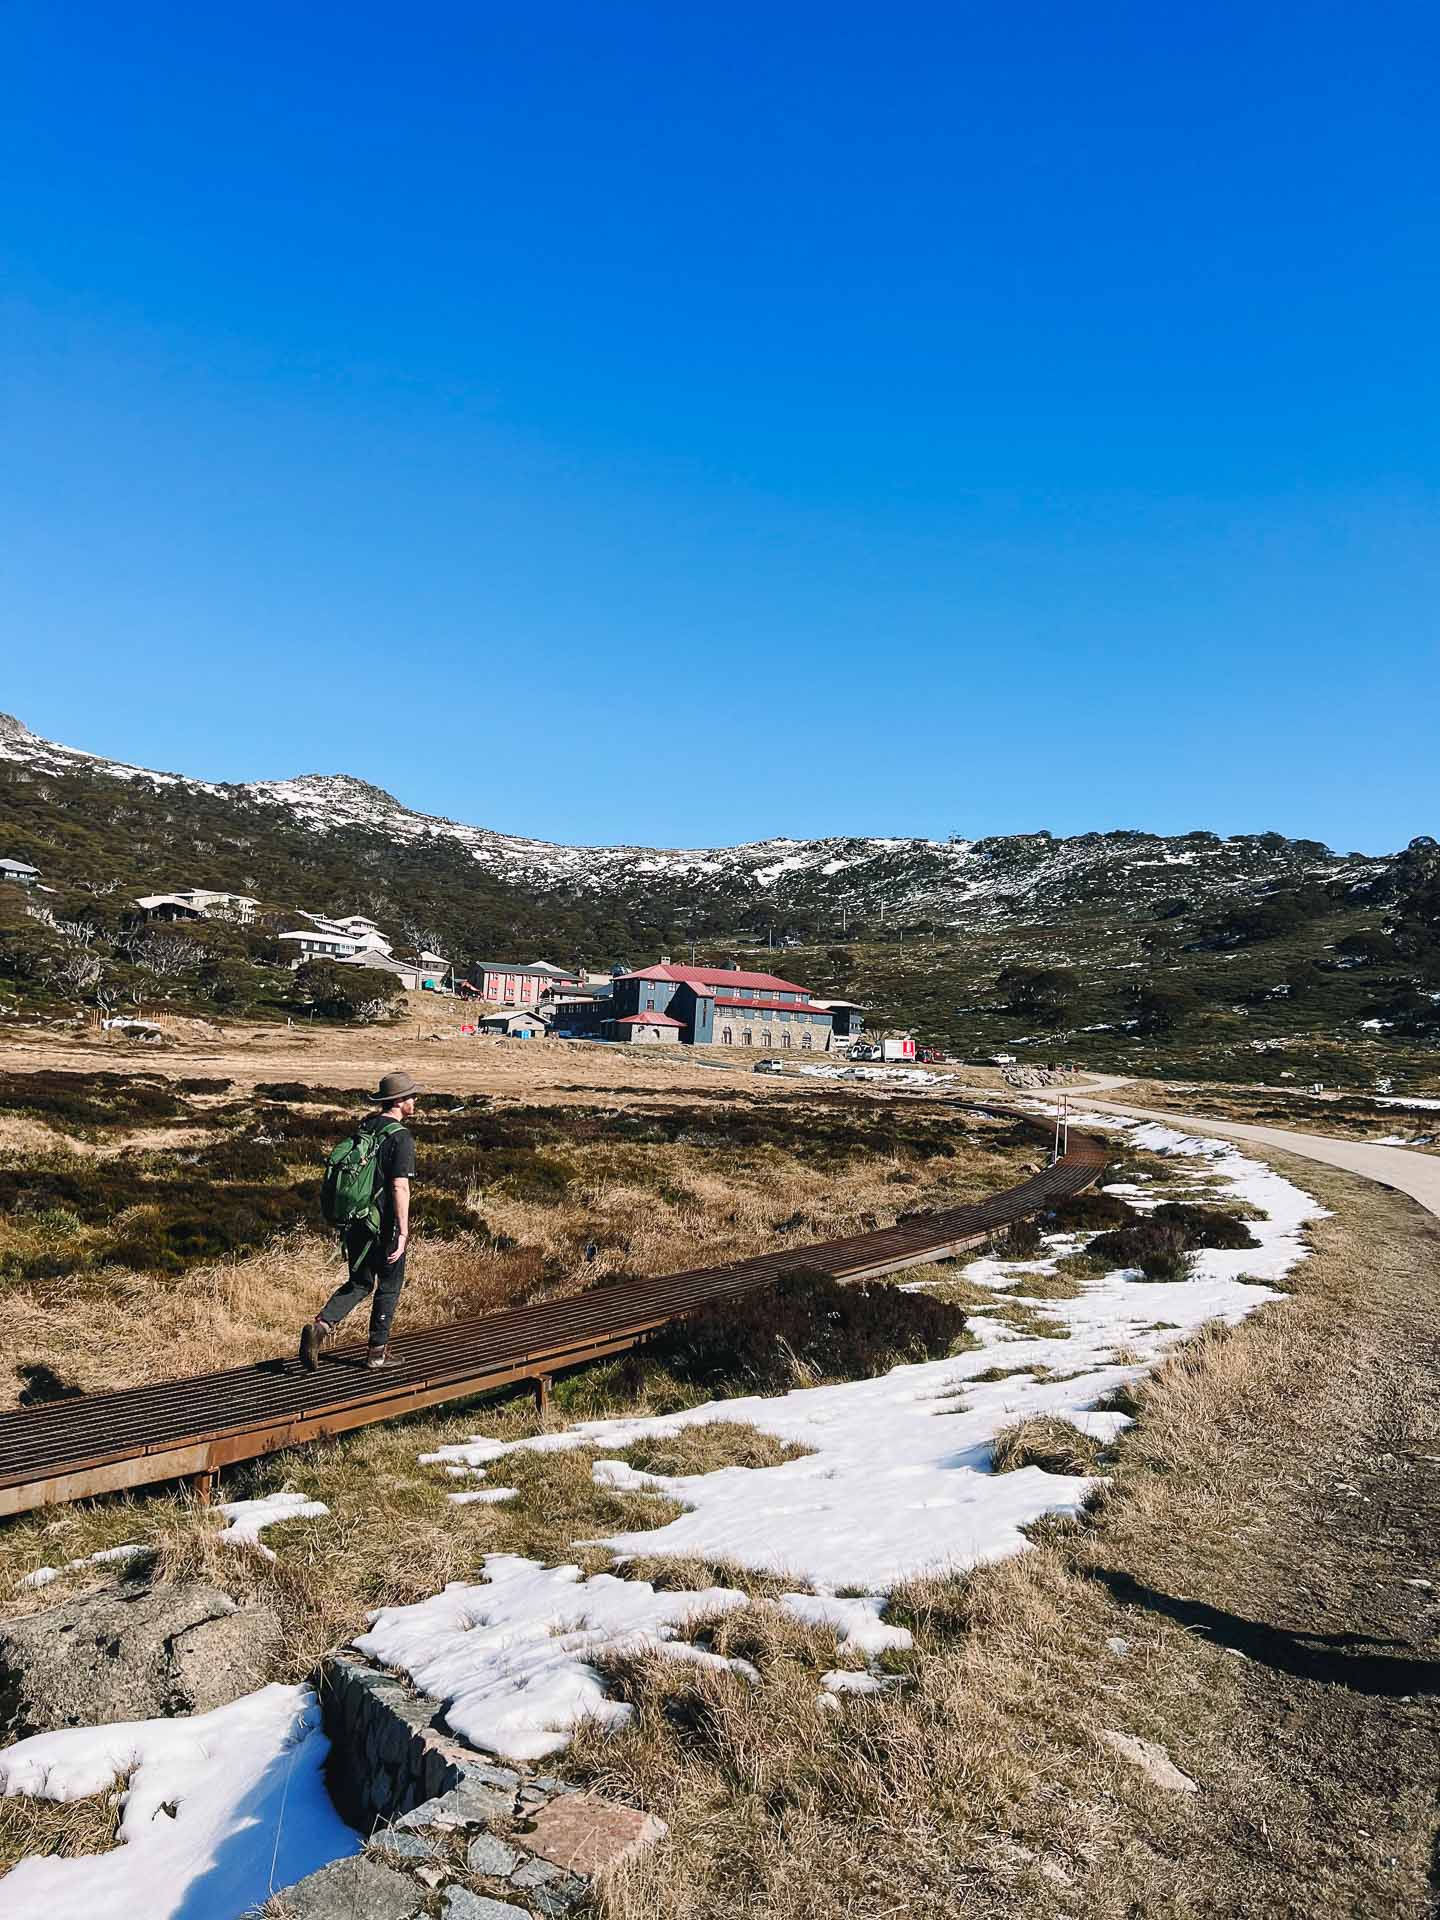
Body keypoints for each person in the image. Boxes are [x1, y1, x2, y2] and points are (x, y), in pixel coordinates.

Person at [300, 1071, 421, 1372]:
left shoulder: (366, 1126)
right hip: (384, 1224)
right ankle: (377, 1353)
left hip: (356, 1221)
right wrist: (404, 1232)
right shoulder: (400, 1137)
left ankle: (321, 1326)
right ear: (399, 1101)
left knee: (360, 1282)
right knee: (389, 1285)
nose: (415, 1101)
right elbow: (399, 1186)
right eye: (411, 1096)